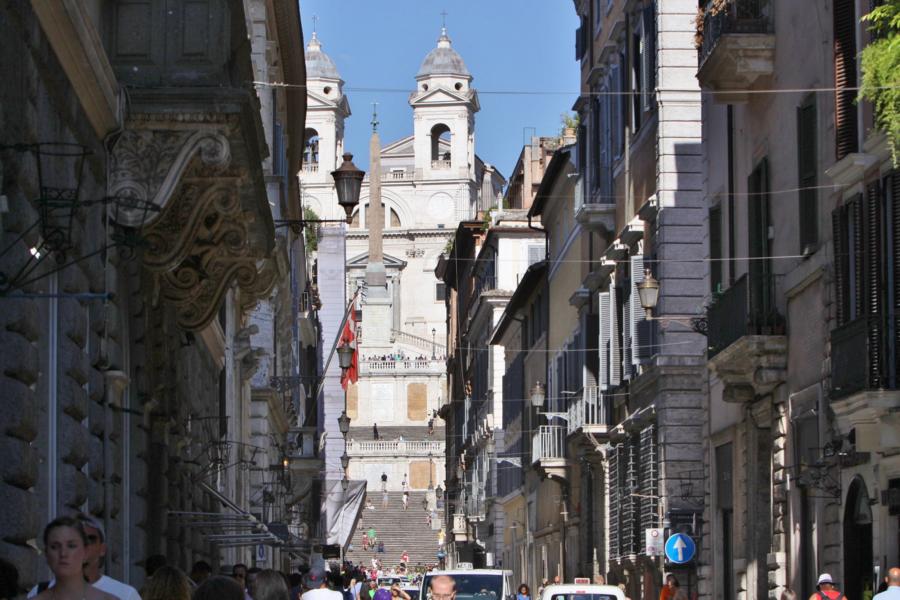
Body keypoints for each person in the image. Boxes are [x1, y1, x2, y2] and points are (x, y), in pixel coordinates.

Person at [28, 514, 140, 600]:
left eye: (71, 546)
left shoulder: (124, 595)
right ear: (46, 553)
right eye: (54, 547)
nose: (63, 553)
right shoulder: (37, 593)